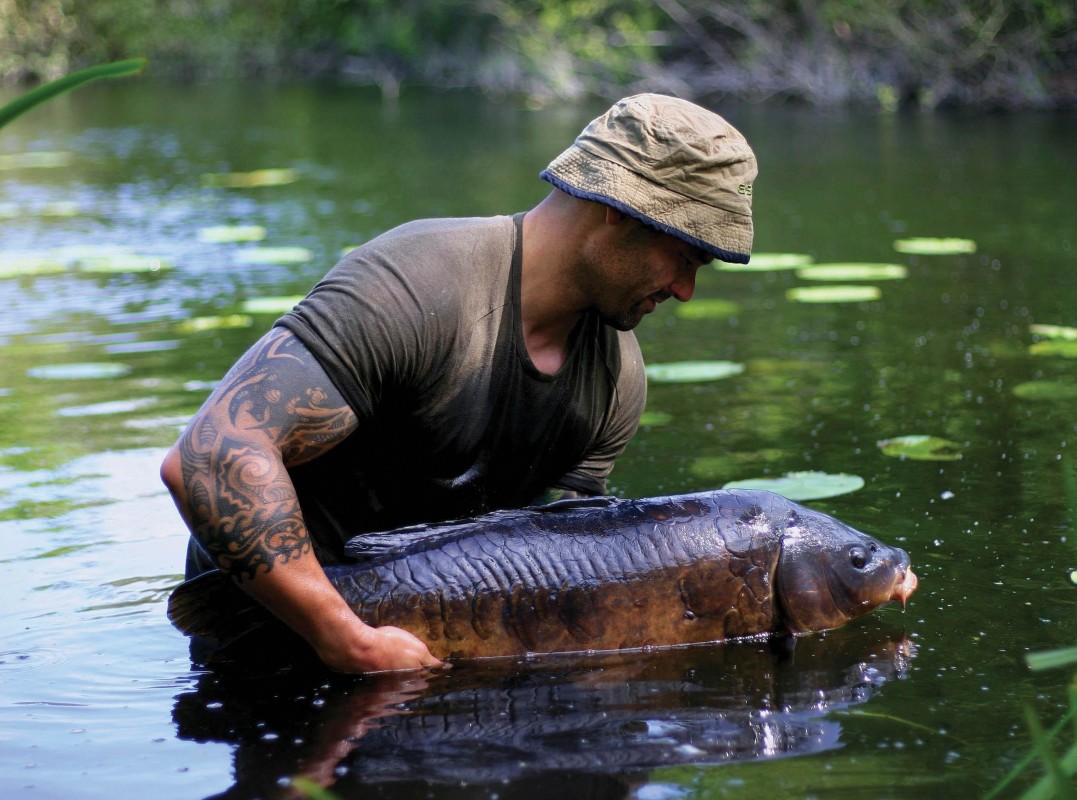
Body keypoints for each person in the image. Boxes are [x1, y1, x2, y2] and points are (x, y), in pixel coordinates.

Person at [160, 93, 758, 673]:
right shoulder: (416, 282)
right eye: (684, 256)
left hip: (427, 655)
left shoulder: (617, 383)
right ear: (619, 210)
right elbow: (211, 458)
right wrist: (347, 639)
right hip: (268, 639)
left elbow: (577, 563)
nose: (685, 290)